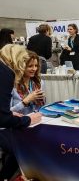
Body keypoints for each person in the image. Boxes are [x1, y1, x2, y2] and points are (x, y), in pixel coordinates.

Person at [0, 44, 41, 180]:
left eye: (35, 66)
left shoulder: (36, 82)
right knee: (23, 146)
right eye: (28, 65)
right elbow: (4, 116)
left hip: (17, 125)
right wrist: (25, 103)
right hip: (6, 128)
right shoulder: (7, 75)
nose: (33, 69)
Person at [10, 51, 45, 115]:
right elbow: (7, 113)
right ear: (21, 66)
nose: (34, 69)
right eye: (30, 66)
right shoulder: (12, 85)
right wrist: (25, 101)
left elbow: (41, 108)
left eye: (36, 65)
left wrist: (41, 100)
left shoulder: (39, 83)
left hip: (36, 120)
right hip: (19, 122)